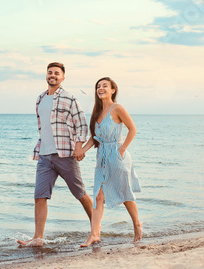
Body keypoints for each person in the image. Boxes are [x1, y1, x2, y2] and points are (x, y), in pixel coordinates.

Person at [17, 62, 93, 247]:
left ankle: (96, 229)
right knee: (39, 196)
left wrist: (79, 146)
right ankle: (38, 238)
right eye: (50, 73)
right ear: (46, 76)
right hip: (44, 155)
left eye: (56, 73)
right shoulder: (40, 99)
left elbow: (81, 124)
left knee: (80, 193)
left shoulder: (69, 98)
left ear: (63, 77)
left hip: (65, 154)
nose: (52, 75)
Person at [80, 77, 142, 247]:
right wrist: (81, 151)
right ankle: (94, 234)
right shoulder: (97, 112)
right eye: (98, 86)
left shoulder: (117, 108)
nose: (101, 88)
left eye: (104, 86)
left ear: (113, 90)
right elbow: (95, 138)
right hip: (101, 158)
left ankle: (137, 223)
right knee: (99, 196)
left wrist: (121, 150)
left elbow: (133, 129)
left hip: (117, 156)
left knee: (125, 193)